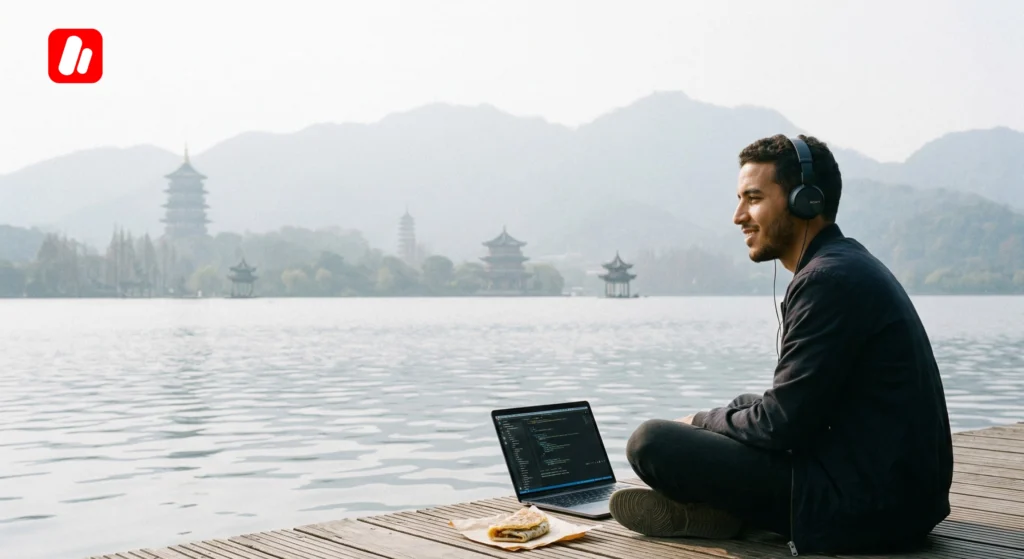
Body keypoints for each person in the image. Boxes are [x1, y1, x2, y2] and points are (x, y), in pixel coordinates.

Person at [607, 134, 954, 555]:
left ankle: (720, 509)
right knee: (740, 404)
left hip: (869, 509)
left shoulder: (828, 282)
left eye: (753, 198)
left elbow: (781, 424)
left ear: (804, 200)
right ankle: (723, 510)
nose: (738, 216)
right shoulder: (845, 264)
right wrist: (722, 418)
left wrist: (698, 420)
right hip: (899, 494)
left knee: (650, 442)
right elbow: (796, 415)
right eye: (740, 199)